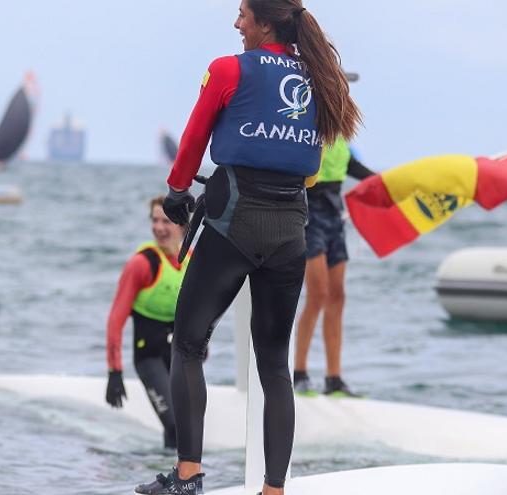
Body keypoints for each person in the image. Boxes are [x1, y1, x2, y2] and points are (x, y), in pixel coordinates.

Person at [134, 1, 360, 494]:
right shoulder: (317, 76)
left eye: (242, 14)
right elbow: (312, 170)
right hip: (291, 229)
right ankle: (273, 489)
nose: (236, 23)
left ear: (265, 22)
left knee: (189, 343)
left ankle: (188, 475)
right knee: (275, 364)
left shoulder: (227, 69)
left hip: (232, 219)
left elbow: (193, 139)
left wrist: (177, 192)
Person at [105, 196, 190, 449]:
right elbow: (115, 320)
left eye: (166, 221)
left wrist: (202, 342)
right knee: (174, 424)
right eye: (154, 220)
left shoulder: (191, 260)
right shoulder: (141, 264)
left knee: (186, 426)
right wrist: (114, 372)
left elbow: (202, 310)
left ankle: (176, 476)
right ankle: (173, 480)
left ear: (183, 224)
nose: (159, 228)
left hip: (179, 355)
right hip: (148, 357)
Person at [293, 137, 374, 397]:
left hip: (333, 217)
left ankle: (334, 378)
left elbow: (362, 173)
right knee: (317, 295)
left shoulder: (342, 145)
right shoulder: (308, 135)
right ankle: (300, 374)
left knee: (337, 296)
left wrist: (396, 184)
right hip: (309, 216)